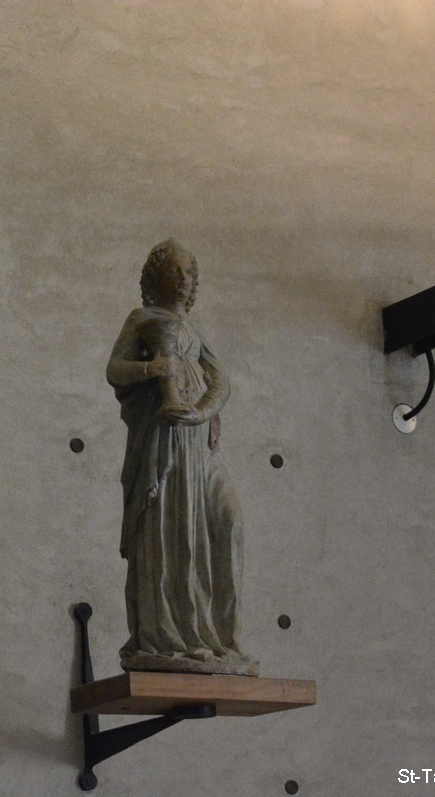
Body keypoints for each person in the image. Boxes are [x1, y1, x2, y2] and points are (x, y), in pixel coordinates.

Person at [105, 239, 256, 676]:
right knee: (169, 533)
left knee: (229, 523)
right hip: (163, 447)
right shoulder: (141, 320)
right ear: (156, 278)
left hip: (198, 445)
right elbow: (115, 369)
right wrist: (150, 370)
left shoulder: (195, 332)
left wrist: (202, 412)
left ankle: (221, 638)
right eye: (175, 270)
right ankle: (170, 638)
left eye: (189, 271)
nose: (184, 278)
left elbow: (221, 381)